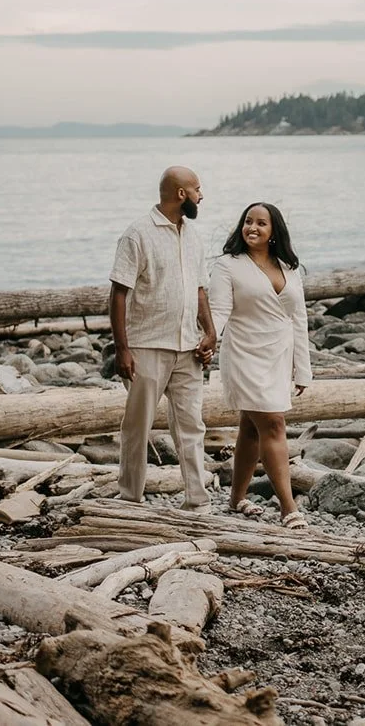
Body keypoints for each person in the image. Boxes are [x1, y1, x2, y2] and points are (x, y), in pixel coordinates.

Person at [110, 166, 217, 512]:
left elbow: (199, 289)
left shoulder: (194, 235)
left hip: (188, 348)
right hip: (146, 347)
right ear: (181, 194)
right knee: (137, 426)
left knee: (191, 425)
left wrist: (210, 331)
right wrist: (123, 348)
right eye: (197, 189)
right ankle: (130, 497)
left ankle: (197, 499)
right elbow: (118, 293)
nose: (202, 195)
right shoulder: (137, 234)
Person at [208, 202, 312, 529]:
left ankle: (237, 498)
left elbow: (299, 320)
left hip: (278, 354)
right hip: (244, 353)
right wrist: (205, 341)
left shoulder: (289, 267)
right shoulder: (228, 266)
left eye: (261, 223)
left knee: (251, 427)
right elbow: (218, 311)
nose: (252, 227)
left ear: (273, 231)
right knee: (273, 424)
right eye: (247, 221)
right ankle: (288, 507)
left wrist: (302, 368)